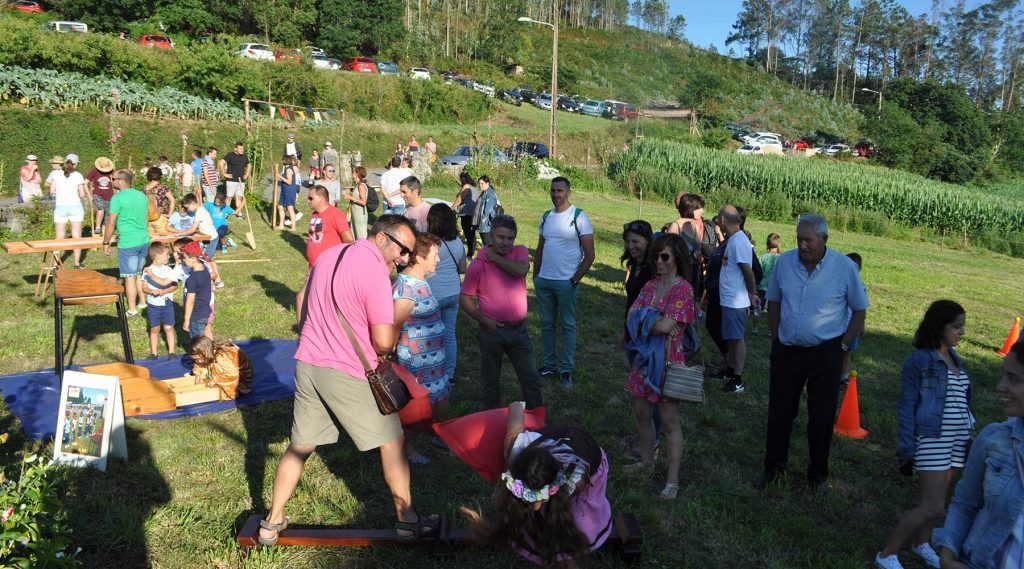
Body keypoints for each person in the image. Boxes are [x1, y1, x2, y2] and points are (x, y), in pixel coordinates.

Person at [258, 215, 440, 547]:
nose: (403, 260)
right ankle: (407, 521)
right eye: (402, 251)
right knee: (394, 442)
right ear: (382, 238)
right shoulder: (375, 271)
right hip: (348, 371)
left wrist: (314, 337)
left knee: (300, 446)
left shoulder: (331, 253)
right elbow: (384, 341)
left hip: (308, 363)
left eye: (408, 256)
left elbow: (300, 300)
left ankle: (271, 522)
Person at [755, 214, 869, 491]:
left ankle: (817, 474)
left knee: (821, 416)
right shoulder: (784, 262)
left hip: (826, 351)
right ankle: (773, 468)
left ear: (824, 239)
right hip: (787, 351)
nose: (803, 245)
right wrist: (776, 336)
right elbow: (775, 301)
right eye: (799, 239)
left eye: (809, 240)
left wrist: (843, 345)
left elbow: (859, 309)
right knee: (780, 411)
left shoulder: (843, 267)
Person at [875, 300, 972, 569]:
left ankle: (922, 543)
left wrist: (968, 432)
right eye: (957, 327)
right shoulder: (919, 361)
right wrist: (906, 445)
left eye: (962, 327)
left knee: (939, 501)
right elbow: (906, 404)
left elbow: (961, 401)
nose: (962, 332)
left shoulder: (955, 358)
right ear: (939, 327)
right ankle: (886, 554)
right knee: (933, 506)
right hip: (932, 440)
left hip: (957, 441)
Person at [464, 401, 611, 567]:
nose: (533, 507)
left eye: (534, 502)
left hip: (587, 461)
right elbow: (515, 407)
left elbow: (572, 496)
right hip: (557, 444)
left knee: (576, 522)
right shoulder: (514, 445)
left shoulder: (576, 479)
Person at [933, 342, 1024, 569]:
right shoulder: (995, 439)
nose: (1000, 387)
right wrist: (948, 554)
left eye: (1013, 379)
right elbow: (965, 503)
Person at [623, 233, 696, 501]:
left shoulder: (684, 289)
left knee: (669, 422)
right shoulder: (651, 285)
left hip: (667, 364)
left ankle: (672, 481)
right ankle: (647, 463)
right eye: (655, 257)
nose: (659, 261)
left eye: (664, 256)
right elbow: (633, 316)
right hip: (644, 361)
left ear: (677, 257)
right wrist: (651, 320)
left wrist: (645, 319)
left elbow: (665, 327)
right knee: (642, 413)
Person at [460, 215, 544, 410]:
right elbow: (464, 298)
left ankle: (537, 422)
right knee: (491, 380)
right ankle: (492, 418)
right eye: (500, 237)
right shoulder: (479, 263)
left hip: (519, 330)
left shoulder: (520, 252)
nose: (506, 242)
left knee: (531, 378)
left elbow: (521, 270)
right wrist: (483, 320)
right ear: (491, 235)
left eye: (510, 238)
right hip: (492, 331)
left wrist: (495, 258)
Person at [533, 177, 596, 388]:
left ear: (568, 192)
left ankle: (566, 369)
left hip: (566, 282)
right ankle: (550, 364)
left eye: (560, 191)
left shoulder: (579, 216)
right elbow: (540, 247)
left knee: (568, 325)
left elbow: (589, 254)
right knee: (547, 325)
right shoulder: (546, 217)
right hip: (545, 280)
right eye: (552, 190)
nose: (555, 195)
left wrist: (575, 278)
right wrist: (536, 275)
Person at [393, 232, 449, 464]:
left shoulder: (420, 281)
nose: (438, 260)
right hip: (415, 363)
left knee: (441, 397)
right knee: (412, 409)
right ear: (418, 258)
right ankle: (408, 450)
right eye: (434, 255)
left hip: (432, 361)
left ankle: (440, 436)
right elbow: (394, 324)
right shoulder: (406, 288)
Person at [715, 206, 757, 394]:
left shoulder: (738, 241)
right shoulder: (734, 240)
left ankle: (738, 379)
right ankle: (730, 370)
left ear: (723, 220)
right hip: (729, 299)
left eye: (718, 217)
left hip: (735, 301)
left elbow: (747, 271)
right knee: (731, 338)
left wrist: (752, 293)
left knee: (737, 339)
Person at [426, 204, 466, 385]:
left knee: (430, 334)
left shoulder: (428, 243)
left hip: (433, 294)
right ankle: (449, 374)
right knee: (450, 334)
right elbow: (463, 268)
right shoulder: (457, 242)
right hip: (453, 293)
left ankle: (431, 371)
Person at [103, 170, 152, 315]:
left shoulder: (117, 198)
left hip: (128, 243)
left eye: (114, 179)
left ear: (122, 181)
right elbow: (147, 218)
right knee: (138, 273)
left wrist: (106, 242)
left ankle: (131, 309)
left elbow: (111, 221)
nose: (112, 181)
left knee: (129, 277)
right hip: (144, 240)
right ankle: (142, 302)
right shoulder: (142, 196)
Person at [140, 242, 183, 359]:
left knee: (168, 327)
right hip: (154, 305)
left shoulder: (169, 269)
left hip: (167, 304)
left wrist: (163, 292)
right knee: (155, 328)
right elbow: (144, 287)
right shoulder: (147, 270)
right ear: (157, 256)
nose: (169, 256)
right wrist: (150, 291)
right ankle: (153, 353)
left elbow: (174, 285)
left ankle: (172, 351)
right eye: (166, 254)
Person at [177, 195, 224, 289]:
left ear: (193, 203)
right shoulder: (200, 210)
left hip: (211, 238)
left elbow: (193, 228)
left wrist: (181, 234)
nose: (188, 210)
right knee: (209, 259)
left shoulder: (199, 212)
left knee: (206, 260)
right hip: (207, 237)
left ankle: (212, 282)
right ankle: (217, 280)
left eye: (188, 207)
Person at [49, 154, 88, 269]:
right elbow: (81, 194)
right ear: (75, 164)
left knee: (59, 236)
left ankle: (55, 264)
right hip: (75, 207)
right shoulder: (78, 175)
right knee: (77, 236)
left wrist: (60, 194)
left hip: (61, 207)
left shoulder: (56, 174)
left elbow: (52, 191)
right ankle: (76, 264)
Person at [187, 336, 253, 399]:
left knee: (216, 368)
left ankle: (238, 390)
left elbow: (232, 375)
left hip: (241, 378)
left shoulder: (222, 356)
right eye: (195, 360)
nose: (198, 361)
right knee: (208, 367)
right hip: (230, 372)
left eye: (198, 359)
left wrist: (216, 380)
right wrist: (199, 373)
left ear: (205, 352)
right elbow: (200, 364)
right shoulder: (209, 352)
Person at [306, 185, 353, 268]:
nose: (308, 201)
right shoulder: (314, 215)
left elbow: (349, 240)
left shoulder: (336, 214)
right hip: (314, 266)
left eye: (311, 198)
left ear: (321, 198)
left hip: (329, 267)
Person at [180, 242, 213, 340]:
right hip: (205, 311)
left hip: (196, 315)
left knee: (198, 344)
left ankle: (204, 355)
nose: (183, 260)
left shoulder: (192, 279)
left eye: (185, 258)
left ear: (194, 259)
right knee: (203, 340)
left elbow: (190, 301)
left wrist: (186, 320)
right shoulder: (206, 272)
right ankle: (208, 353)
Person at [753, 233, 781, 336]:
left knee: (757, 309)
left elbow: (758, 273)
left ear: (766, 245)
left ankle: (755, 329)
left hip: (762, 287)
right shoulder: (781, 259)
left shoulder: (762, 258)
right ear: (779, 245)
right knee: (772, 312)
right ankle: (771, 331)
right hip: (775, 289)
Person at [451, 171, 480, 258]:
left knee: (468, 233)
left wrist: (451, 208)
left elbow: (460, 199)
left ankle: (470, 253)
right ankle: (471, 251)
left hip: (466, 213)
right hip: (474, 213)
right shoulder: (474, 187)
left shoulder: (466, 186)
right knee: (471, 233)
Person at [85, 157, 116, 234]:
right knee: (101, 208)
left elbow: (115, 183)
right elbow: (85, 182)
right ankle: (98, 227)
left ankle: (104, 237)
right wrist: (89, 195)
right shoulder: (94, 171)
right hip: (97, 195)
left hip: (110, 196)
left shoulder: (111, 171)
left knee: (107, 217)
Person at [223, 142, 251, 220]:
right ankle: (225, 214)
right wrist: (224, 174)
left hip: (241, 181)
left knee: (239, 197)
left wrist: (247, 174)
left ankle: (239, 214)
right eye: (240, 148)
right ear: (235, 149)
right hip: (231, 180)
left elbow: (249, 165)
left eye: (243, 148)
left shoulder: (244, 157)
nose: (242, 150)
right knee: (229, 197)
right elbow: (221, 163)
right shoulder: (230, 155)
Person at [343, 166, 370, 240]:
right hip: (355, 213)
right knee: (354, 233)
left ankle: (363, 250)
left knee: (361, 235)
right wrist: (351, 194)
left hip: (360, 214)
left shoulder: (361, 185)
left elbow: (364, 202)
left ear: (357, 174)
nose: (352, 173)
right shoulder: (357, 184)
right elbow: (358, 197)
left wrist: (350, 197)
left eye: (353, 172)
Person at [275, 156, 300, 231]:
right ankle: (281, 225)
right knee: (280, 207)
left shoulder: (289, 169)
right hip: (284, 190)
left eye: (283, 160)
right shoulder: (287, 168)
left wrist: (279, 176)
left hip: (289, 190)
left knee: (290, 208)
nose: (282, 162)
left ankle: (293, 227)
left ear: (285, 161)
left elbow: (289, 182)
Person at [474, 175, 499, 246]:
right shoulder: (485, 192)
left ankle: (491, 257)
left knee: (488, 245)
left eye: (482, 184)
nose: (480, 186)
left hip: (486, 226)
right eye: (479, 184)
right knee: (486, 245)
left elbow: (487, 211)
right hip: (483, 224)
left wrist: (482, 222)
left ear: (487, 183)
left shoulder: (490, 194)